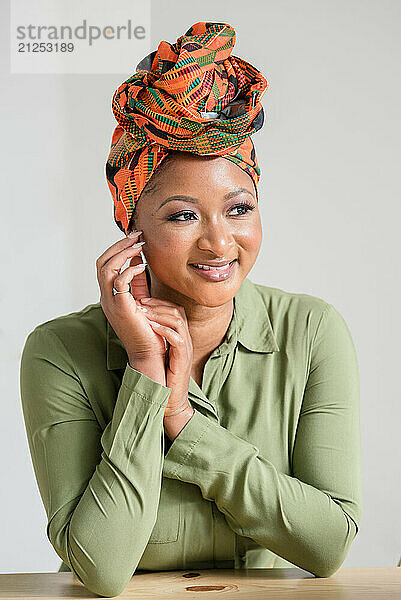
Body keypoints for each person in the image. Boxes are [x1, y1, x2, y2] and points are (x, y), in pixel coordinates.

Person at [19, 21, 362, 598]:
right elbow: (100, 568)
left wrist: (182, 423)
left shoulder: (310, 333)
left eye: (238, 208)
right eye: (182, 215)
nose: (220, 243)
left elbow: (328, 545)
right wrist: (146, 374)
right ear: (132, 225)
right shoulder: (59, 351)